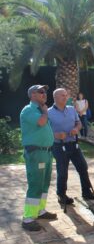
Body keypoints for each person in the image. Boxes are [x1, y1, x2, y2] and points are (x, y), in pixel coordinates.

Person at [48, 88, 94, 206]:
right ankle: (62, 195)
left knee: (83, 167)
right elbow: (44, 131)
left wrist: (76, 129)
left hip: (73, 144)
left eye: (66, 95)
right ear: (55, 98)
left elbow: (78, 123)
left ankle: (86, 192)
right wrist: (56, 135)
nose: (65, 97)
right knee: (63, 171)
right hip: (59, 146)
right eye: (62, 95)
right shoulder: (48, 113)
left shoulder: (71, 109)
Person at [20, 85, 57, 231]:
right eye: (41, 92)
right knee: (36, 184)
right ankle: (28, 218)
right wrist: (45, 112)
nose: (44, 94)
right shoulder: (29, 110)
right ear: (32, 95)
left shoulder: (40, 111)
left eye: (45, 92)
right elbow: (41, 122)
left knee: (44, 183)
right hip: (36, 153)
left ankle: (39, 211)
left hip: (46, 152)